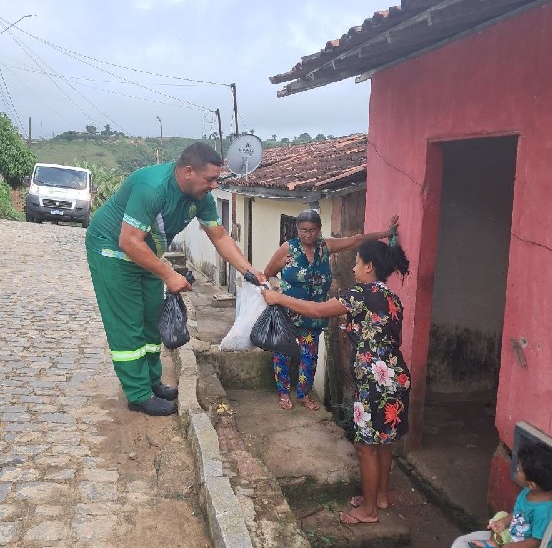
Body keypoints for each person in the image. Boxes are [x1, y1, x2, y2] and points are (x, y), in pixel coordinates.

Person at [86, 142, 264, 416]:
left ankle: (152, 383)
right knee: (128, 324)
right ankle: (138, 395)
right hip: (113, 251)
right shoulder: (152, 188)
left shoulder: (201, 197)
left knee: (151, 319)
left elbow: (219, 236)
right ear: (188, 171)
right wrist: (169, 274)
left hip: (146, 253)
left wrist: (248, 271)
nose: (214, 185)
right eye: (210, 179)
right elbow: (129, 241)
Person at [263, 238, 410, 525]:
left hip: (374, 382)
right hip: (397, 376)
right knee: (384, 443)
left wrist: (280, 299)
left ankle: (369, 512)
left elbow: (318, 310)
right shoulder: (393, 297)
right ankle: (379, 497)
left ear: (369, 266)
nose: (353, 268)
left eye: (357, 263)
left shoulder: (360, 293)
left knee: (365, 447)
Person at [263, 209, 399, 411]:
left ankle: (303, 394)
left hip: (315, 316)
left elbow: (355, 241)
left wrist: (386, 233)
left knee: (309, 357)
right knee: (282, 353)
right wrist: (278, 290)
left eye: (312, 230)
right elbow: (268, 273)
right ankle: (283, 393)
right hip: (287, 314)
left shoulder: (325, 247)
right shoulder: (288, 249)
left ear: (319, 229)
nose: (308, 235)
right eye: (303, 230)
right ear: (297, 229)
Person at [456, 442, 552, 548]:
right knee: (501, 516)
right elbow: (519, 514)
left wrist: (512, 547)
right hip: (517, 534)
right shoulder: (529, 492)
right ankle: (494, 546)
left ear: (532, 484)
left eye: (519, 469)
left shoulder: (545, 511)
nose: (516, 470)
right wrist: (504, 522)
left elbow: (537, 542)